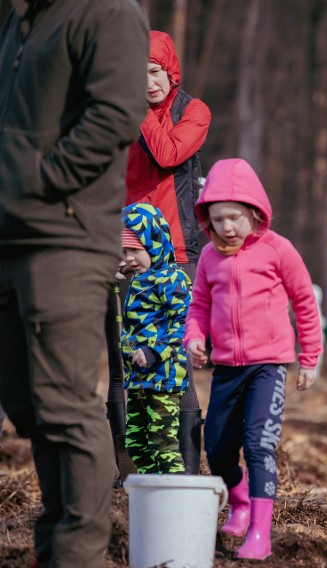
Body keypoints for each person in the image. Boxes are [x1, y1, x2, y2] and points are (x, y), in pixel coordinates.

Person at [0, 1, 149, 566]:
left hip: (66, 235)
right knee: (27, 405)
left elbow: (114, 115)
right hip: (8, 240)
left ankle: (79, 554)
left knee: (65, 407)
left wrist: (41, 182)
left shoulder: (107, 10)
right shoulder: (18, 19)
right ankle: (55, 547)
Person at [184, 158, 323, 561]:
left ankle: (260, 532)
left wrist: (309, 357)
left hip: (269, 366)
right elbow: (199, 306)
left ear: (254, 212)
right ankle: (240, 502)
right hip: (226, 368)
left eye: (234, 217)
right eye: (218, 218)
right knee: (219, 448)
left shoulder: (279, 250)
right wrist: (194, 337)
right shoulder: (210, 257)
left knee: (258, 444)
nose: (227, 227)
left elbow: (304, 303)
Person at [116, 28, 212, 474]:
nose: (148, 83)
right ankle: (130, 475)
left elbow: (168, 152)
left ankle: (186, 473)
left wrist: (138, 110)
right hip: (123, 251)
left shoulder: (194, 111)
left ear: (170, 70)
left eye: (153, 73)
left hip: (175, 251)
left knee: (172, 361)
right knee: (125, 357)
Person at [120, 203, 192, 475]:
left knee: (163, 444)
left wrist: (154, 351)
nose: (129, 258)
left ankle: (175, 497)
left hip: (164, 377)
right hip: (139, 378)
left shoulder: (171, 279)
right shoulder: (140, 278)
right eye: (124, 251)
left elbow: (185, 322)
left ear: (154, 244)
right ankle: (153, 492)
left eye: (135, 250)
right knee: (136, 444)